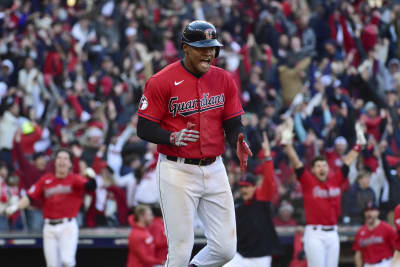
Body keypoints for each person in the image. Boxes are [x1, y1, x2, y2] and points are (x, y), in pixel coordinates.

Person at [137, 20, 252, 267]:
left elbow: (233, 124)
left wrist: (239, 141)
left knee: (225, 249)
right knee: (179, 251)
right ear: (185, 47)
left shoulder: (224, 79)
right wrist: (170, 137)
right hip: (177, 169)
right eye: (202, 46)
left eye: (212, 47)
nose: (209, 52)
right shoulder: (161, 80)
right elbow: (143, 127)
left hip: (214, 168)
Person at [282, 118, 365, 267]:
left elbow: (348, 160)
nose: (322, 168)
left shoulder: (336, 179)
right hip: (315, 234)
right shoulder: (308, 181)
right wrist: (287, 143)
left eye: (324, 165)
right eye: (318, 166)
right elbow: (296, 161)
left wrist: (359, 144)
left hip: (333, 232)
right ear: (313, 170)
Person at [5, 148, 97, 267]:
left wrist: (92, 178)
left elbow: (90, 187)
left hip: (67, 226)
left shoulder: (74, 179)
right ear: (55, 162)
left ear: (70, 163)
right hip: (49, 227)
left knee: (67, 261)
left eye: (65, 159)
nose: (62, 161)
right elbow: (30, 197)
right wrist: (15, 207)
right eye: (59, 158)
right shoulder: (46, 179)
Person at [224, 132, 280, 267]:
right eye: (242, 187)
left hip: (260, 257)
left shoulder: (262, 199)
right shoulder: (237, 204)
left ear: (255, 187)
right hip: (240, 255)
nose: (244, 190)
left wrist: (267, 157)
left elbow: (269, 180)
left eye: (248, 187)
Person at [353, 202, 396, 267]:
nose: (369, 213)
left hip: (384, 263)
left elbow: (396, 248)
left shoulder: (387, 228)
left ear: (378, 212)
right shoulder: (360, 232)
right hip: (368, 264)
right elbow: (358, 253)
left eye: (372, 210)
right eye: (367, 210)